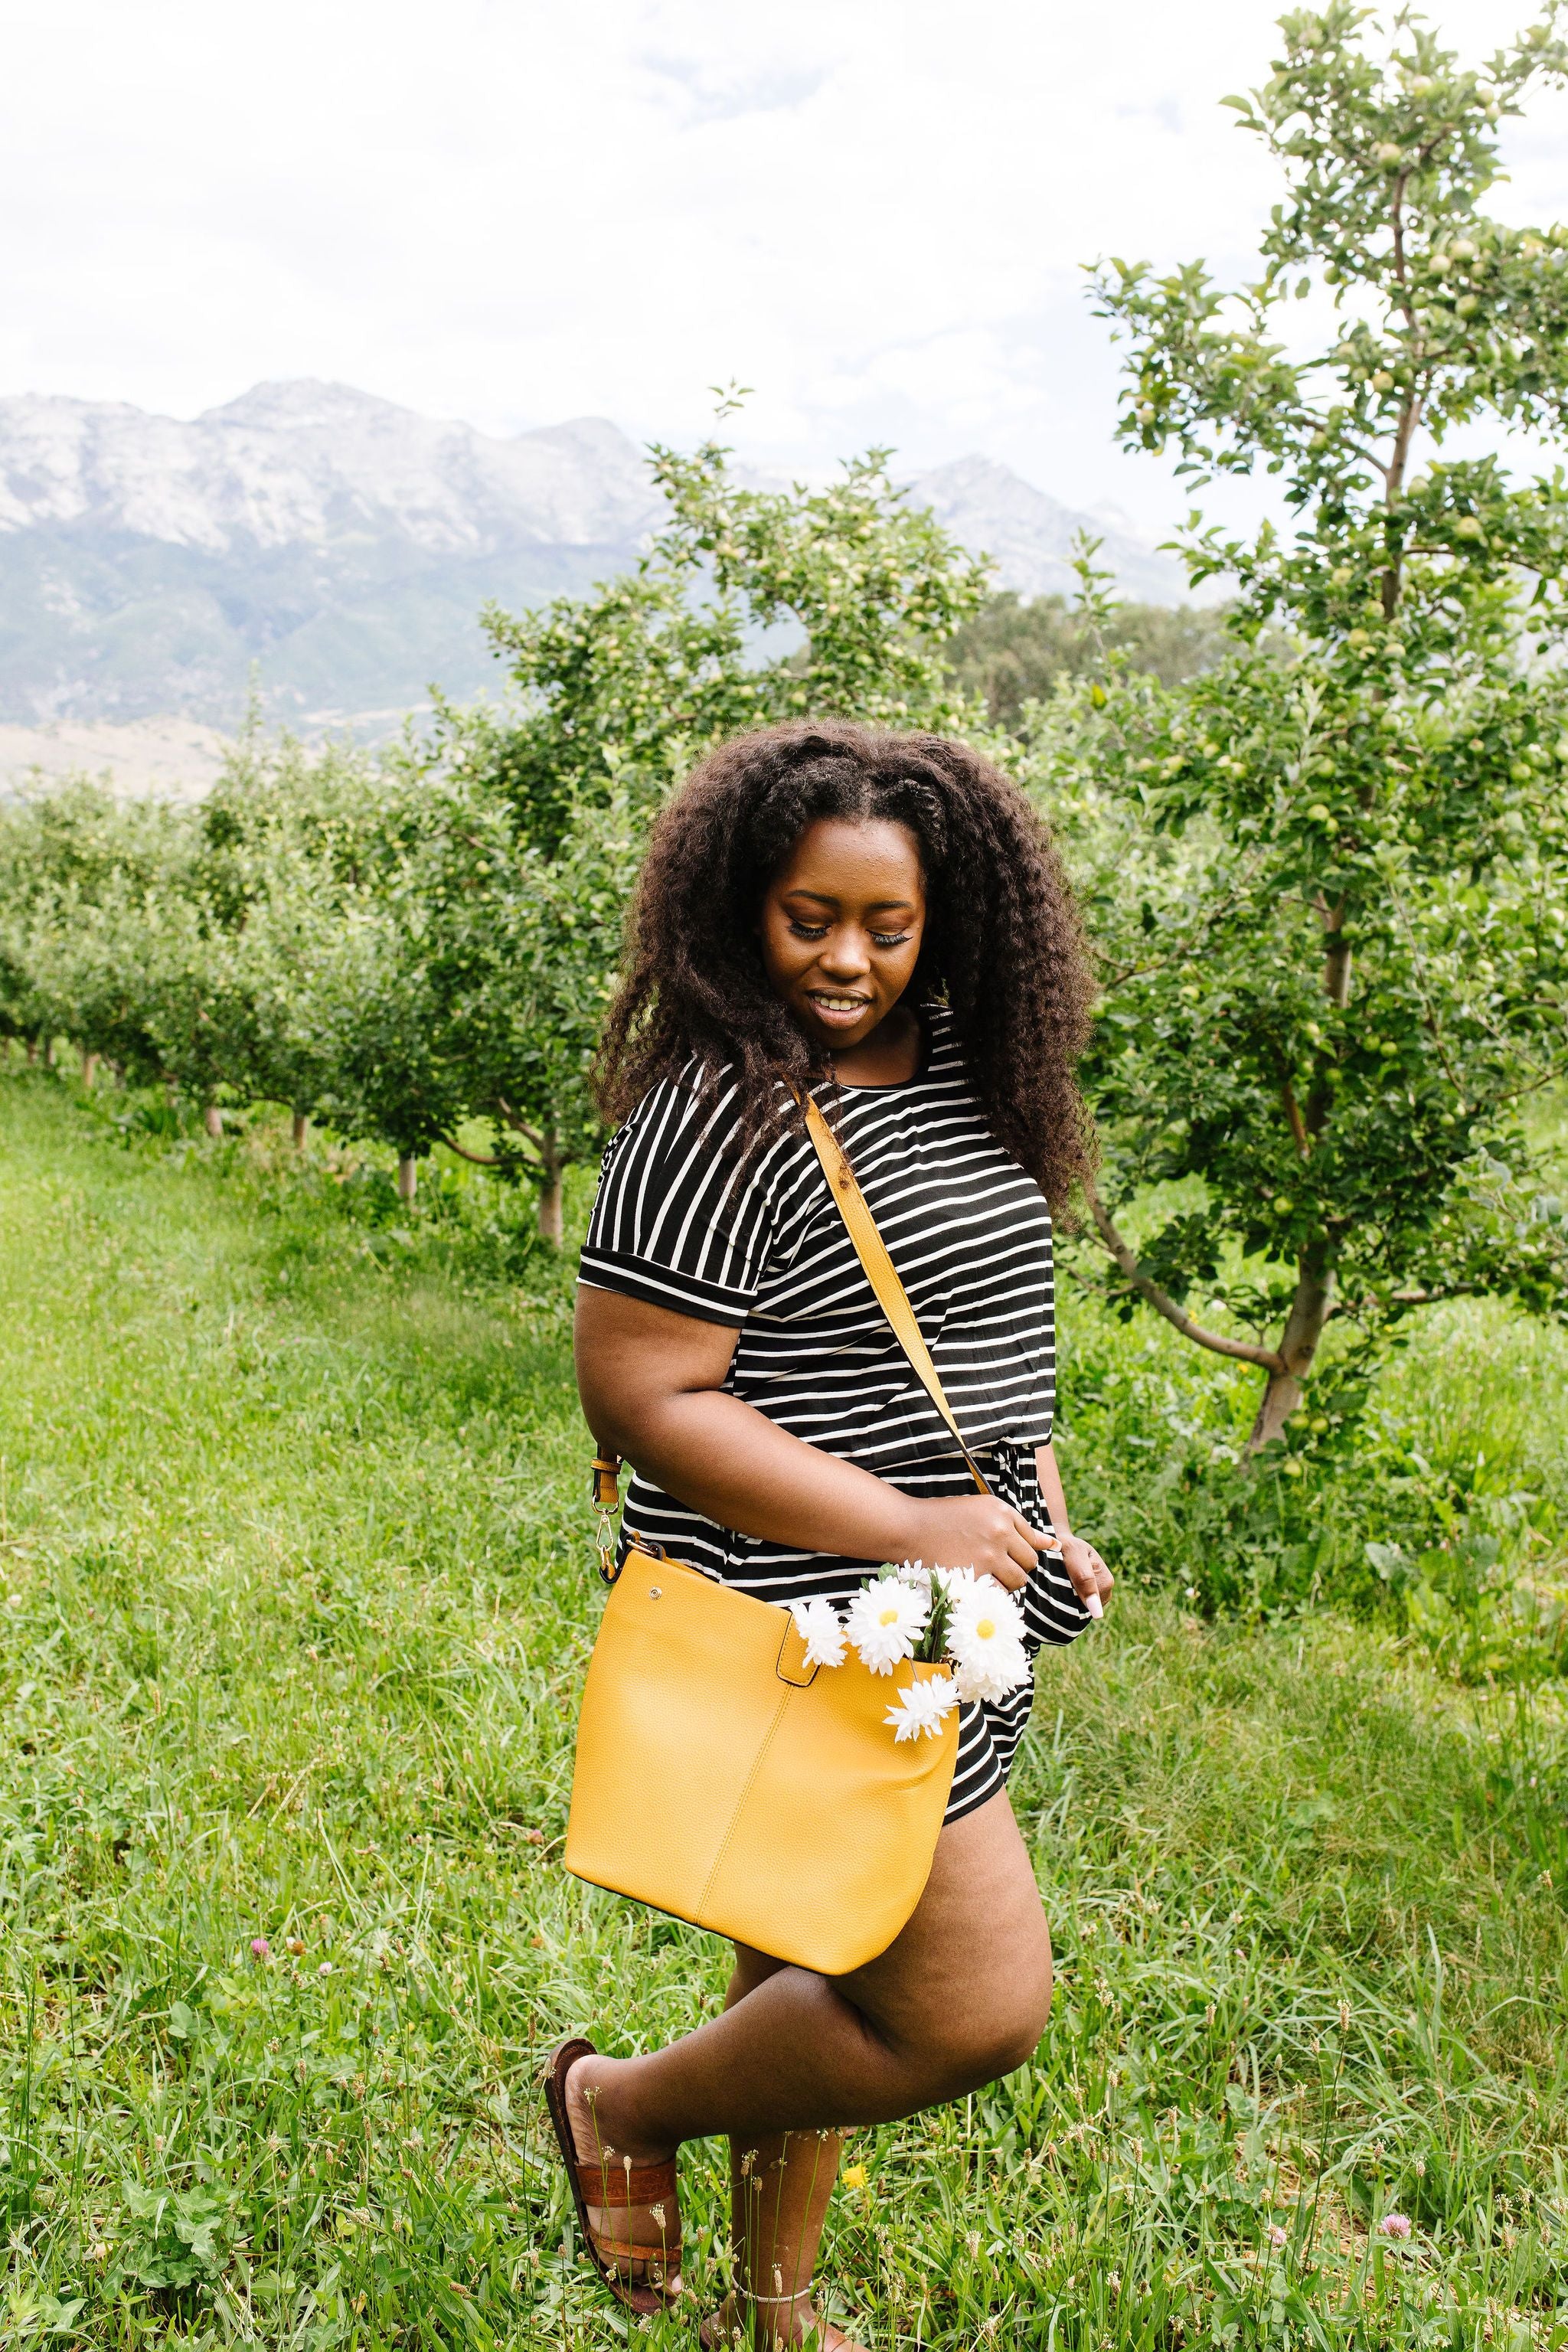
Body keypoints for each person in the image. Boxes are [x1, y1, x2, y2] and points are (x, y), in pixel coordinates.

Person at [550, 720, 1113, 2350]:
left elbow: (989, 1352)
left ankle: (771, 2317)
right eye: (812, 919)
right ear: (744, 907)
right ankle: (619, 2110)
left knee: (815, 1957)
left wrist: (1036, 1528)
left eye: (888, 923)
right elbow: (644, 1396)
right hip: (816, 1626)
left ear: (949, 922)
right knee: (970, 2008)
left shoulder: (962, 1076)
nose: (850, 959)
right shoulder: (720, 1110)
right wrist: (911, 1528)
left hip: (943, 1615)